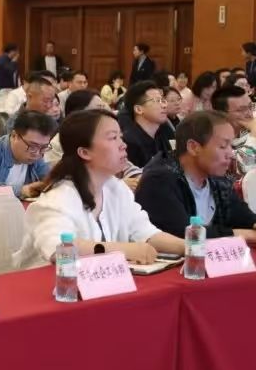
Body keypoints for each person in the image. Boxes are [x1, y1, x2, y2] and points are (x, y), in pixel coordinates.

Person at [14, 110, 184, 269]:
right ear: (84, 152)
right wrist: (125, 250)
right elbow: (60, 248)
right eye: (113, 138)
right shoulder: (58, 199)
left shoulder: (116, 188)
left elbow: (147, 233)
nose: (123, 145)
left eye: (120, 137)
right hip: (52, 285)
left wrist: (189, 247)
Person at [135, 111, 256, 241]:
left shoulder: (218, 180)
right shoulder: (158, 181)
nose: (231, 154)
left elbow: (244, 217)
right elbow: (182, 233)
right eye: (223, 146)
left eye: (231, 145)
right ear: (193, 147)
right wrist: (240, 234)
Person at [120, 81, 173, 169]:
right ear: (139, 109)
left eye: (163, 100)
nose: (164, 105)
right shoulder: (129, 143)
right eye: (157, 101)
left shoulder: (161, 135)